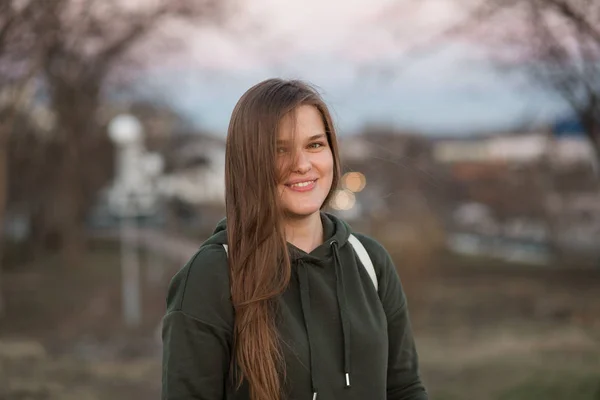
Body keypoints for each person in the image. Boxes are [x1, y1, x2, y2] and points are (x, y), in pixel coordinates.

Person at [161, 78, 428, 400]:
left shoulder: (370, 261)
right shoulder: (211, 275)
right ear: (248, 162)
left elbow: (404, 389)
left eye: (315, 144)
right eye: (279, 150)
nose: (302, 165)